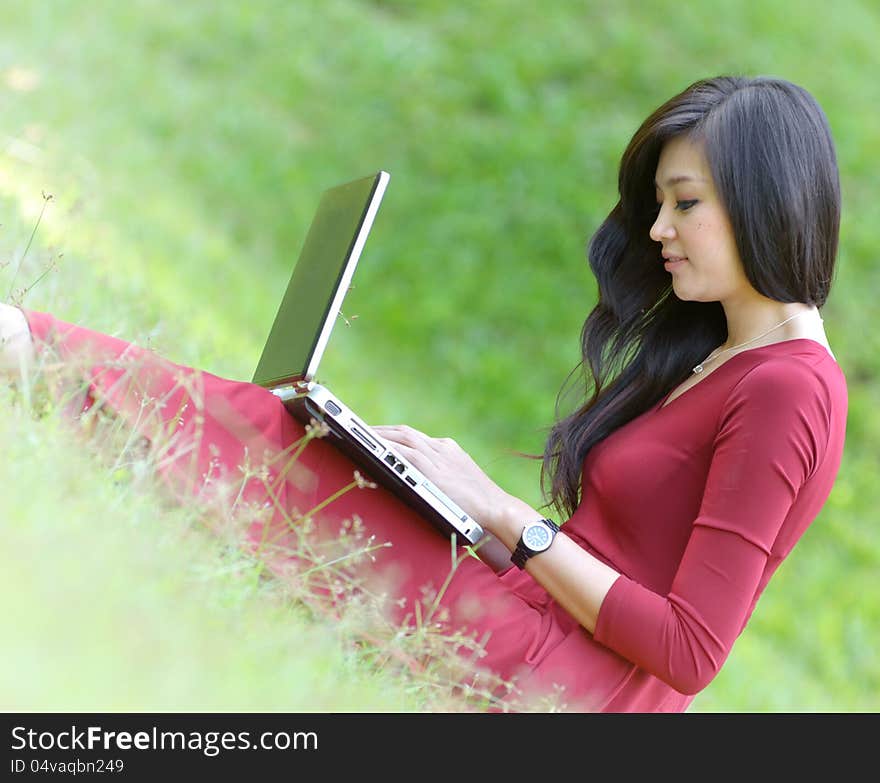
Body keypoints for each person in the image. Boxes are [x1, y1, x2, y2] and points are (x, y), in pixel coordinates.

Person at [1, 74, 847, 712]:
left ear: (765, 204)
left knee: (307, 470)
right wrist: (473, 513)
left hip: (563, 687)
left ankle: (33, 353)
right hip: (539, 621)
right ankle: (44, 362)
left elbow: (690, 648)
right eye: (659, 203)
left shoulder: (791, 389)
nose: (659, 229)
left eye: (684, 204)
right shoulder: (727, 354)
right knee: (337, 457)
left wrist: (510, 516)